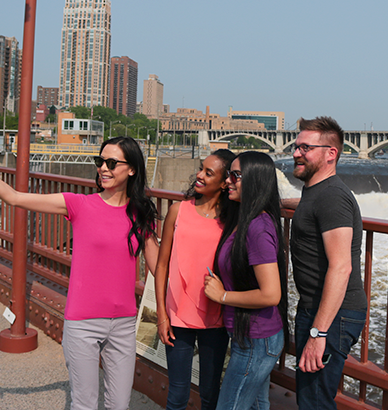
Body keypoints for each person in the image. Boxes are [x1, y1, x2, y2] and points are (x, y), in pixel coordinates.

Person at [0, 135, 159, 410]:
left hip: (124, 323)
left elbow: (159, 270)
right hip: (83, 322)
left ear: (132, 169)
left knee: (119, 405)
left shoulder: (141, 214)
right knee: (84, 403)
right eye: (100, 161)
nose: (103, 168)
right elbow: (14, 198)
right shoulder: (79, 204)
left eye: (112, 163)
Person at [287, 117, 367, 410]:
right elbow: (312, 210)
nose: (296, 153)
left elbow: (341, 267)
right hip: (321, 309)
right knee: (311, 398)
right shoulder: (315, 193)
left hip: (333, 314)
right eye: (296, 146)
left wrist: (318, 334)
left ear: (330, 154)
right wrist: (274, 202)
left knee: (315, 402)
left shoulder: (332, 197)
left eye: (305, 147)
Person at [203, 151, 288, 410]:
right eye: (229, 174)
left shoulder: (257, 227)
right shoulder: (243, 220)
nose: (228, 181)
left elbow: (271, 294)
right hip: (249, 337)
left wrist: (222, 296)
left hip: (257, 340)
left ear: (255, 180)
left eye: (236, 176)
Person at [153, 149, 236, 410]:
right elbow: (162, 264)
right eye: (201, 168)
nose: (199, 175)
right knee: (177, 395)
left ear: (225, 183)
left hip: (216, 316)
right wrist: (162, 315)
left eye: (208, 173)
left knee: (210, 393)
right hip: (177, 315)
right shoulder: (178, 211)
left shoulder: (232, 219)